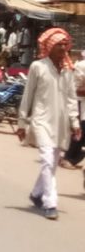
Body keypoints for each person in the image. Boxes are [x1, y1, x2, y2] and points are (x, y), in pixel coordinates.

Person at [17, 28, 81, 220]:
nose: (63, 48)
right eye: (59, 44)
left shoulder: (69, 70)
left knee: (52, 162)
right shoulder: (38, 67)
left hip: (60, 123)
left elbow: (71, 98)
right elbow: (28, 95)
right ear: (50, 46)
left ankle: (37, 193)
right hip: (41, 120)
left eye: (65, 44)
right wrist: (22, 122)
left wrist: (74, 122)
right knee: (46, 159)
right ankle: (50, 202)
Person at [62, 50, 85, 169]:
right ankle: (68, 158)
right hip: (80, 103)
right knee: (79, 132)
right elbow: (73, 90)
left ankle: (72, 158)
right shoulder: (81, 66)